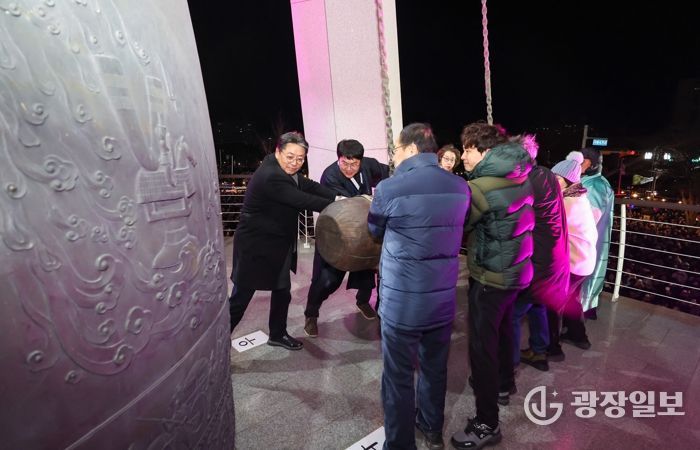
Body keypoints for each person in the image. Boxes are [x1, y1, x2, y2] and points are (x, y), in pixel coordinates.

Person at [368, 123, 470, 450]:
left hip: (402, 304)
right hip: (442, 300)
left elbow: (374, 230)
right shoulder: (460, 187)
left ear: (411, 149)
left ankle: (400, 444)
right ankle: (431, 428)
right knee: (435, 368)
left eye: (396, 150)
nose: (394, 157)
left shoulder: (390, 188)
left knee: (397, 376)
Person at [451, 122, 534, 450]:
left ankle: (487, 423)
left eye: (467, 149)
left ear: (484, 151)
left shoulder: (480, 187)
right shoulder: (521, 175)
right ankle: (503, 383)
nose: (463, 156)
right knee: (505, 329)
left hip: (491, 276)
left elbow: (460, 224)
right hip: (517, 272)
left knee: (482, 348)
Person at [228, 131, 338, 351]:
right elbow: (302, 199)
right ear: (278, 151)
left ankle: (277, 334)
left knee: (282, 291)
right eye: (290, 157)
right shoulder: (271, 175)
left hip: (277, 244)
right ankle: (217, 342)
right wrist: (339, 206)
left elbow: (308, 186)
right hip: (255, 246)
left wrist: (337, 197)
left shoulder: (284, 169)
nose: (295, 163)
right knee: (241, 297)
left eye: (300, 159)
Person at [303, 139, 389, 337]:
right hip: (336, 235)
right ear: (338, 159)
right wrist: (369, 199)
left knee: (367, 273)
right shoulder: (330, 176)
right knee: (326, 281)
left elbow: (387, 173)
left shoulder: (369, 165)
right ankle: (311, 314)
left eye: (354, 164)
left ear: (361, 160)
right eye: (344, 163)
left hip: (363, 233)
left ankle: (362, 301)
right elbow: (349, 207)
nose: (349, 168)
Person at [510, 135, 570, 373]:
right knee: (537, 304)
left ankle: (508, 364)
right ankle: (539, 351)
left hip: (538, 259)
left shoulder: (526, 183)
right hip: (555, 257)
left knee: (513, 313)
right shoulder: (546, 174)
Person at [548, 151, 598, 355]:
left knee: (552, 303)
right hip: (585, 261)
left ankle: (551, 348)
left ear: (568, 181)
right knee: (572, 298)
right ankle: (578, 336)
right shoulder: (579, 196)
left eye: (556, 178)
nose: (552, 181)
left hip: (575, 263)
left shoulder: (567, 202)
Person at [579, 147, 615, 320]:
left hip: (587, 242)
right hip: (592, 242)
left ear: (590, 163)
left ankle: (582, 311)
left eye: (580, 161)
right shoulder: (597, 182)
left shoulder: (594, 185)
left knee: (586, 276)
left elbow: (589, 218)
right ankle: (587, 308)